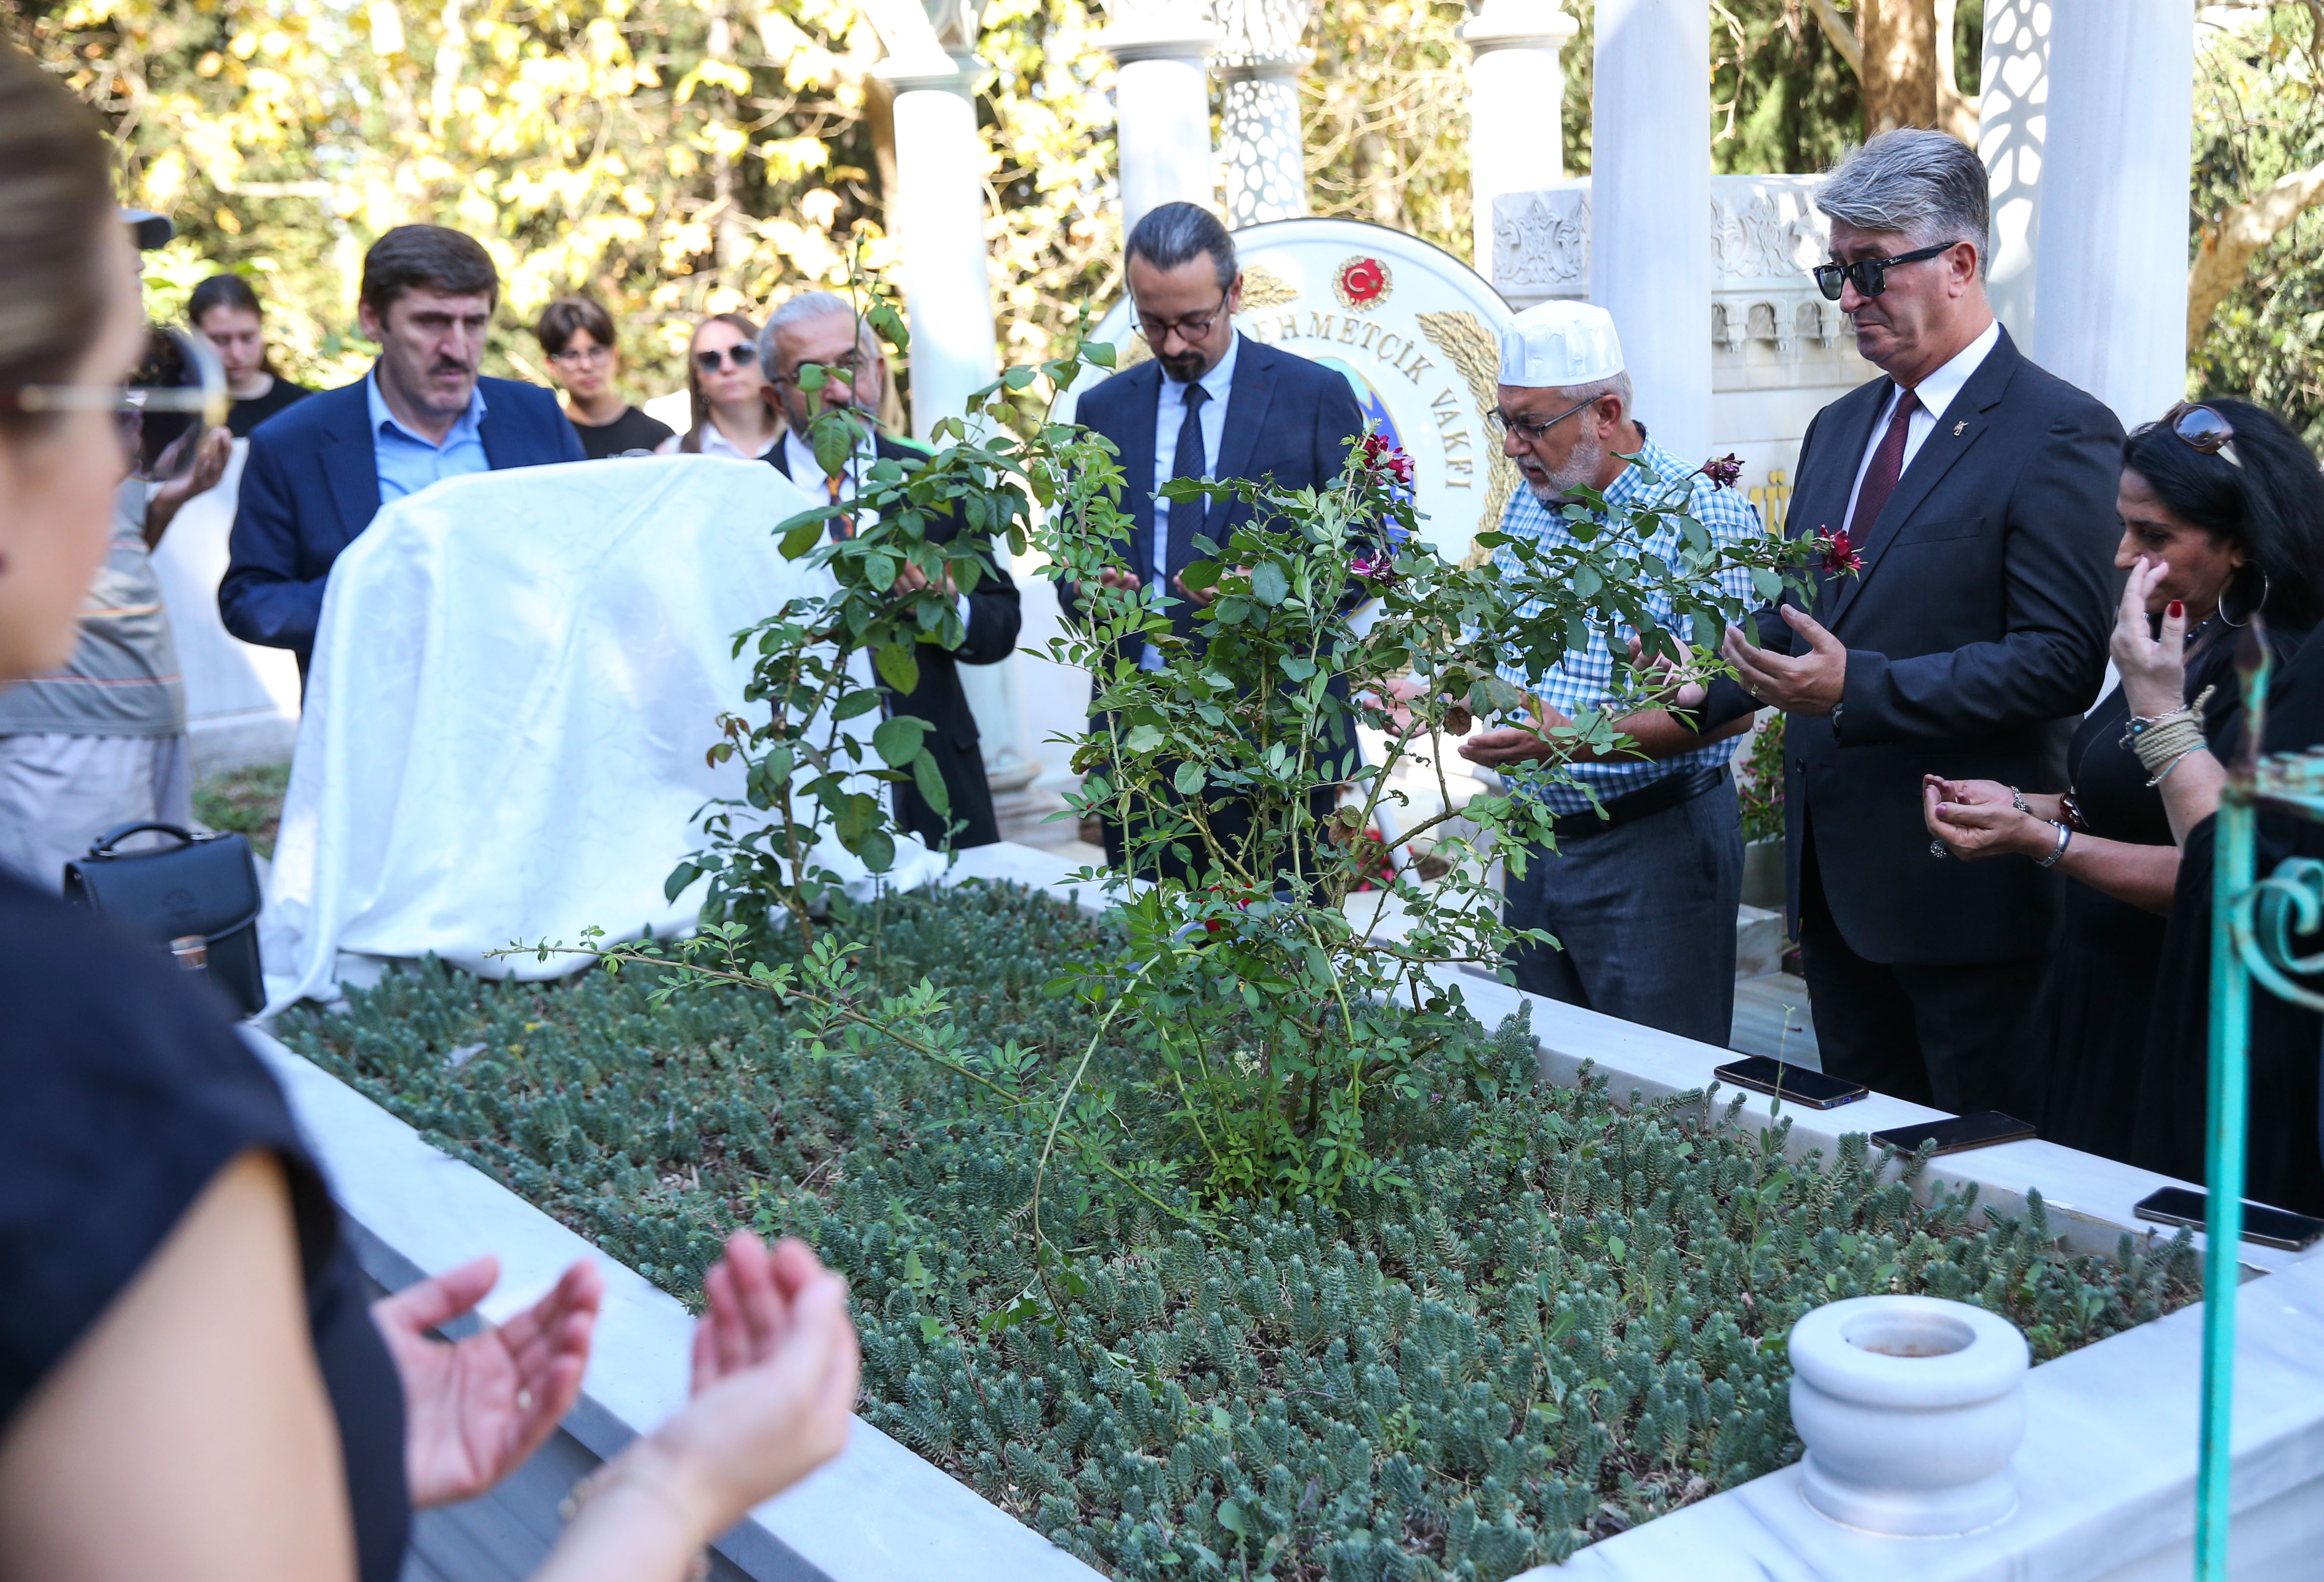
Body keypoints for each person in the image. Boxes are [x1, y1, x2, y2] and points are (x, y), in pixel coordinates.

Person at [0, 49, 860, 1582]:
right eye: (132, 391)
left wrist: (316, 1401)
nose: (148, 452)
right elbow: (265, 590)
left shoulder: (538, 421)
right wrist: (669, 1491)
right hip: (398, 785)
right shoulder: (88, 1061)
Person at [1686, 128, 2125, 1115]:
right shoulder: (1840, 428)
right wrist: (1700, 687)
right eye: (1835, 272)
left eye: (1870, 271)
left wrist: (1863, 688)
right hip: (1834, 894)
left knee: (1988, 1198)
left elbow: (2059, 662)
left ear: (1961, 264)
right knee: (1864, 1189)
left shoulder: (2059, 432)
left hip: (1966, 897)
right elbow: (1806, 614)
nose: (1846, 300)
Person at [1923, 400, 2324, 1166]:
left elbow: (2212, 866)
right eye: (2125, 526)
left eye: (2154, 535)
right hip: (2097, 981)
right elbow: (2129, 799)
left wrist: (2045, 841)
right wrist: (2022, 803)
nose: (2122, 555)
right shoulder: (2191, 629)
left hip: (2175, 999)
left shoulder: (2282, 668)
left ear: (2239, 542)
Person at [1450, 301, 1762, 1047]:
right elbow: (1492, 654)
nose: (1513, 448)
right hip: (1537, 845)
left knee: (1657, 1102)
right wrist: (1445, 688)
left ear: (1606, 413)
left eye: (1531, 425)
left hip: (1654, 847)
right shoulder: (1532, 504)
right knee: (1543, 1083)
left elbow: (1730, 710)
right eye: (1505, 423)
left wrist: (1568, 743)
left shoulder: (1701, 517)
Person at [1065, 202, 1368, 878]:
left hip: (1276, 730)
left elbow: (1367, 551)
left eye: (1193, 322)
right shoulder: (1101, 411)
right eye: (1153, 324)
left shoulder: (1314, 395)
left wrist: (1269, 595)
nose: (1173, 345)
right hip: (1141, 735)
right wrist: (1092, 588)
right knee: (1154, 956)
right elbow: (1073, 558)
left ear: (1233, 294)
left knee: (1284, 955)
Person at [218, 225, 586, 677]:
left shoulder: (535, 416)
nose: (457, 348)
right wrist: (380, 598)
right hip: (378, 722)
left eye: (473, 323)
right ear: (372, 320)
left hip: (528, 713)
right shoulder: (293, 443)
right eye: (431, 322)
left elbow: (589, 554)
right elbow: (251, 602)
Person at [760, 291, 1019, 849]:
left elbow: (1001, 625)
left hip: (934, 778)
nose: (835, 390)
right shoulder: (745, 499)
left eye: (850, 364)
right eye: (810, 374)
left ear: (877, 370)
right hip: (806, 790)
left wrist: (948, 605)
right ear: (775, 396)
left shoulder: (935, 481)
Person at [0, 278, 232, 889]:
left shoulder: (113, 398)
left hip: (154, 703)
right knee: (67, 943)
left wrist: (174, 499)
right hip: (61, 722)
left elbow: (123, 549)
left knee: (155, 914)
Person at [534, 294, 676, 459]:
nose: (586, 366)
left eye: (596, 351)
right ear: (551, 365)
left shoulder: (658, 440)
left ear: (615, 355)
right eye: (571, 355)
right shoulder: (545, 443)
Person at [189, 273, 315, 437]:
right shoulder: (171, 403)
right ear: (195, 336)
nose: (237, 354)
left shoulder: (301, 406)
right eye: (221, 340)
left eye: (248, 338)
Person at [676, 311, 782, 461]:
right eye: (709, 359)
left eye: (742, 353)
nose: (727, 368)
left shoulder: (804, 443)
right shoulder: (672, 457)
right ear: (697, 378)